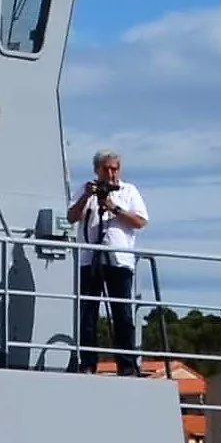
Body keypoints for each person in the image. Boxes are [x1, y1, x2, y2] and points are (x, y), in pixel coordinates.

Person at [67, 151, 148, 368]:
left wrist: (114, 207)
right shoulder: (86, 190)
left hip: (119, 261)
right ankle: (88, 363)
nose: (111, 173)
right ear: (97, 170)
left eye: (114, 168)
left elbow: (140, 221)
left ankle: (127, 364)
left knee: (122, 315)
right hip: (90, 260)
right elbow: (71, 217)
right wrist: (87, 196)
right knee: (88, 314)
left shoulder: (129, 191)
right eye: (106, 168)